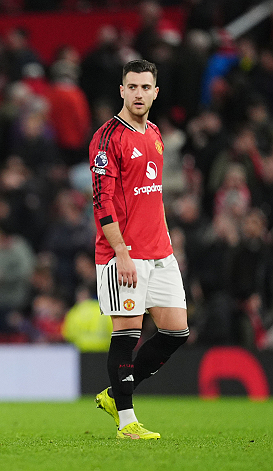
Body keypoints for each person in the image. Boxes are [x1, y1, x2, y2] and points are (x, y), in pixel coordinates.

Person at [89, 59, 189, 440]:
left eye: (146, 87)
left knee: (176, 332)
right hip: (124, 253)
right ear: (122, 90)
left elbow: (155, 197)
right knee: (127, 334)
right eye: (132, 87)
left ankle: (115, 394)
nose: (139, 94)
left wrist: (167, 243)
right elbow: (102, 203)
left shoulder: (156, 133)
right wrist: (121, 252)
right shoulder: (107, 139)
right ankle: (127, 422)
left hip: (160, 252)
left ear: (155, 92)